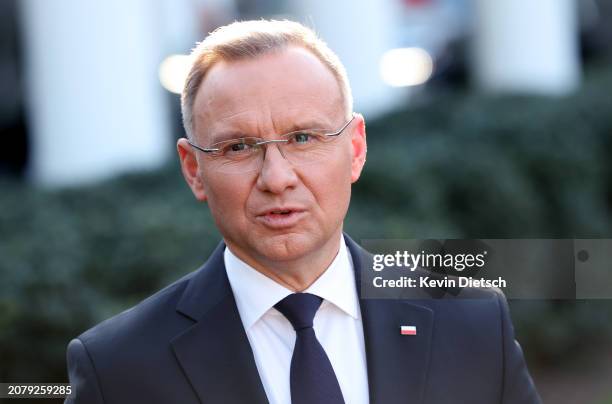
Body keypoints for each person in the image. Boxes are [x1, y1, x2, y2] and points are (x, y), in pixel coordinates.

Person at [65, 19, 541, 404]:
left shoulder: (472, 321)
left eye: (302, 138)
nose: (277, 178)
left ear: (355, 149)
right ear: (194, 170)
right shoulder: (118, 369)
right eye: (239, 146)